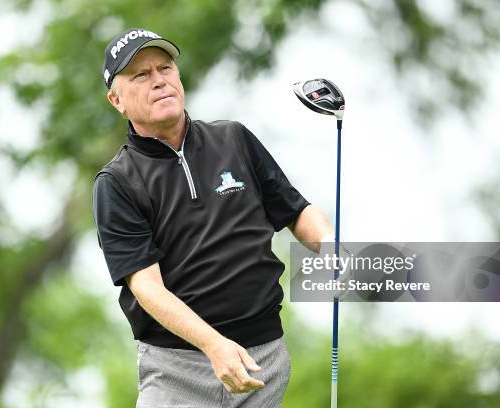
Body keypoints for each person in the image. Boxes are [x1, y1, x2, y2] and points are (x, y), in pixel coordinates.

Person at [92, 27, 334, 407]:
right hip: (177, 370)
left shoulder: (234, 140)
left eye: (166, 68)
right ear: (116, 99)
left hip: (263, 360)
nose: (159, 81)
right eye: (141, 75)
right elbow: (147, 288)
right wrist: (214, 345)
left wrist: (332, 248)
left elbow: (296, 210)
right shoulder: (117, 182)